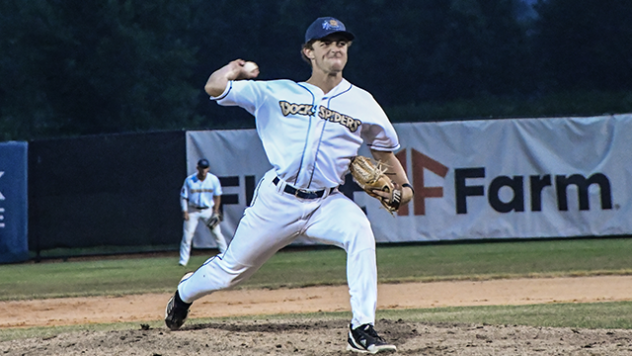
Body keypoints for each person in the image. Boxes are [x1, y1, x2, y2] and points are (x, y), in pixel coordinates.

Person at [165, 17, 414, 354]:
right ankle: (184, 294)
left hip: (327, 202)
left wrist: (405, 189)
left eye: (341, 42)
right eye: (325, 43)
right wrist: (232, 68)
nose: (335, 48)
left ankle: (362, 328)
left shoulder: (363, 103)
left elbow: (386, 156)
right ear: (308, 51)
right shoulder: (275, 91)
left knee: (360, 232)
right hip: (278, 200)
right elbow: (214, 88)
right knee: (229, 272)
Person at [178, 158, 228, 266]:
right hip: (193, 210)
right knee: (187, 236)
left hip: (207, 210)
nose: (203, 170)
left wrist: (215, 211)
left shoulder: (213, 180)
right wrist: (185, 211)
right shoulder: (189, 180)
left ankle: (226, 256)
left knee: (217, 234)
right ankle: (183, 261)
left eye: (205, 168)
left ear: (208, 168)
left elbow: (217, 196)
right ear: (197, 168)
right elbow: (183, 197)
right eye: (201, 168)